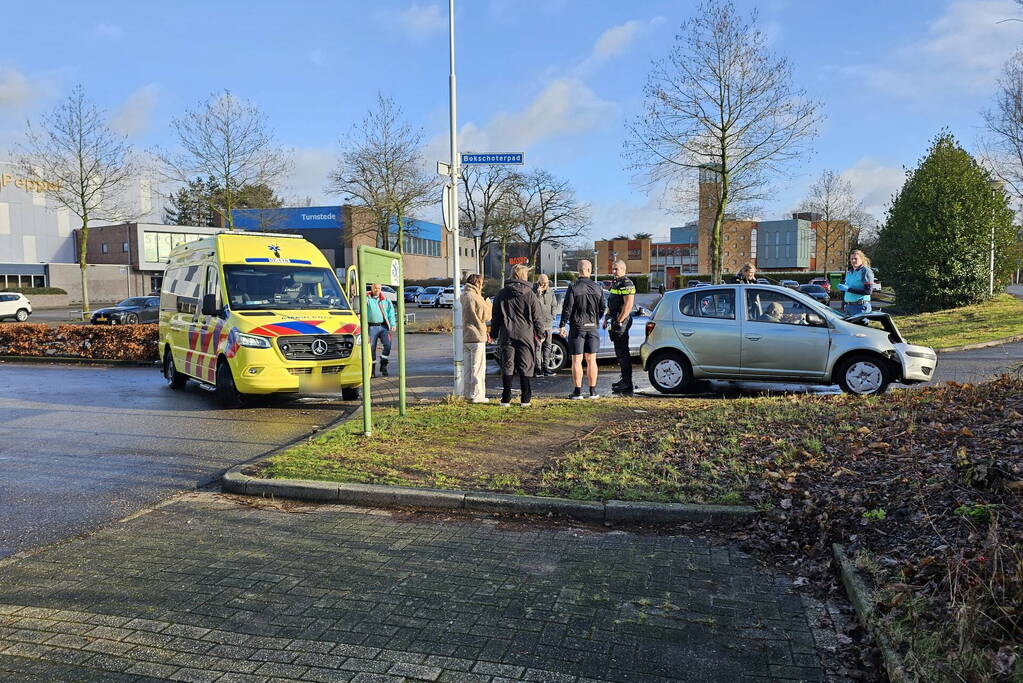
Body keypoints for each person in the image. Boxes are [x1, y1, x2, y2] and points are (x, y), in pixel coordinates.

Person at [490, 264, 546, 407]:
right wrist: (540, 333)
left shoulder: (501, 293)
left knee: (507, 364)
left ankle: (506, 396)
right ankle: (525, 397)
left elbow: (496, 316)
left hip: (507, 333)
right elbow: (537, 317)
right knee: (526, 365)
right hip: (525, 334)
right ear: (523, 276)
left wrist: (494, 333)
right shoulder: (530, 294)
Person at [559, 259, 605, 399]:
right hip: (592, 327)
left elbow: (567, 308)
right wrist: (595, 319)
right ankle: (593, 391)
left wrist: (562, 324)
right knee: (592, 360)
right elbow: (603, 307)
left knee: (576, 360)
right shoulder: (598, 288)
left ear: (578, 270)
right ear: (590, 270)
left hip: (577, 328)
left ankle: (577, 392)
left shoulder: (573, 287)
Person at [605, 260, 636, 395]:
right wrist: (607, 317)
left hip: (621, 321)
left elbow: (628, 304)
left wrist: (619, 321)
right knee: (619, 353)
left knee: (623, 353)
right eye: (612, 269)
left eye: (616, 269)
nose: (613, 271)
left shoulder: (627, 283)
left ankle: (627, 383)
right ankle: (623, 379)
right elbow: (611, 302)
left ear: (623, 269)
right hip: (614, 320)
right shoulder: (616, 283)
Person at [460, 274, 491, 403]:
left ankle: (468, 393)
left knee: (467, 369)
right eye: (481, 283)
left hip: (466, 336)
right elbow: (486, 316)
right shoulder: (476, 297)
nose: (482, 286)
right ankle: (477, 395)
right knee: (477, 368)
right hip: (477, 336)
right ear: (477, 283)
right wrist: (488, 303)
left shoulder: (463, 296)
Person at [365, 282, 396, 377]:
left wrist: (393, 323)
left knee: (387, 345)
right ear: (371, 288)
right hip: (371, 327)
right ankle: (372, 370)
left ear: (381, 289)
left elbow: (390, 312)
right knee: (371, 348)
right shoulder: (366, 299)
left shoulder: (385, 299)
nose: (377, 290)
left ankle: (383, 365)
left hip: (383, 327)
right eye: (375, 288)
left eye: (378, 288)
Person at [532, 274, 559, 377]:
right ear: (538, 282)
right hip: (538, 325)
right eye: (542, 283)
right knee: (538, 347)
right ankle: (538, 369)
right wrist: (538, 294)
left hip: (548, 324)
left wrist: (553, 315)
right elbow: (535, 306)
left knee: (547, 346)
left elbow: (554, 305)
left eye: (546, 283)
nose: (544, 285)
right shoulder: (533, 292)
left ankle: (546, 367)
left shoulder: (550, 292)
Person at [838, 249, 874, 316]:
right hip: (848, 307)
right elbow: (848, 288)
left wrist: (848, 289)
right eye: (851, 259)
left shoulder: (865, 271)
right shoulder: (849, 272)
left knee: (859, 326)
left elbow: (868, 291)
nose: (853, 261)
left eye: (855, 258)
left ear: (861, 259)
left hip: (860, 307)